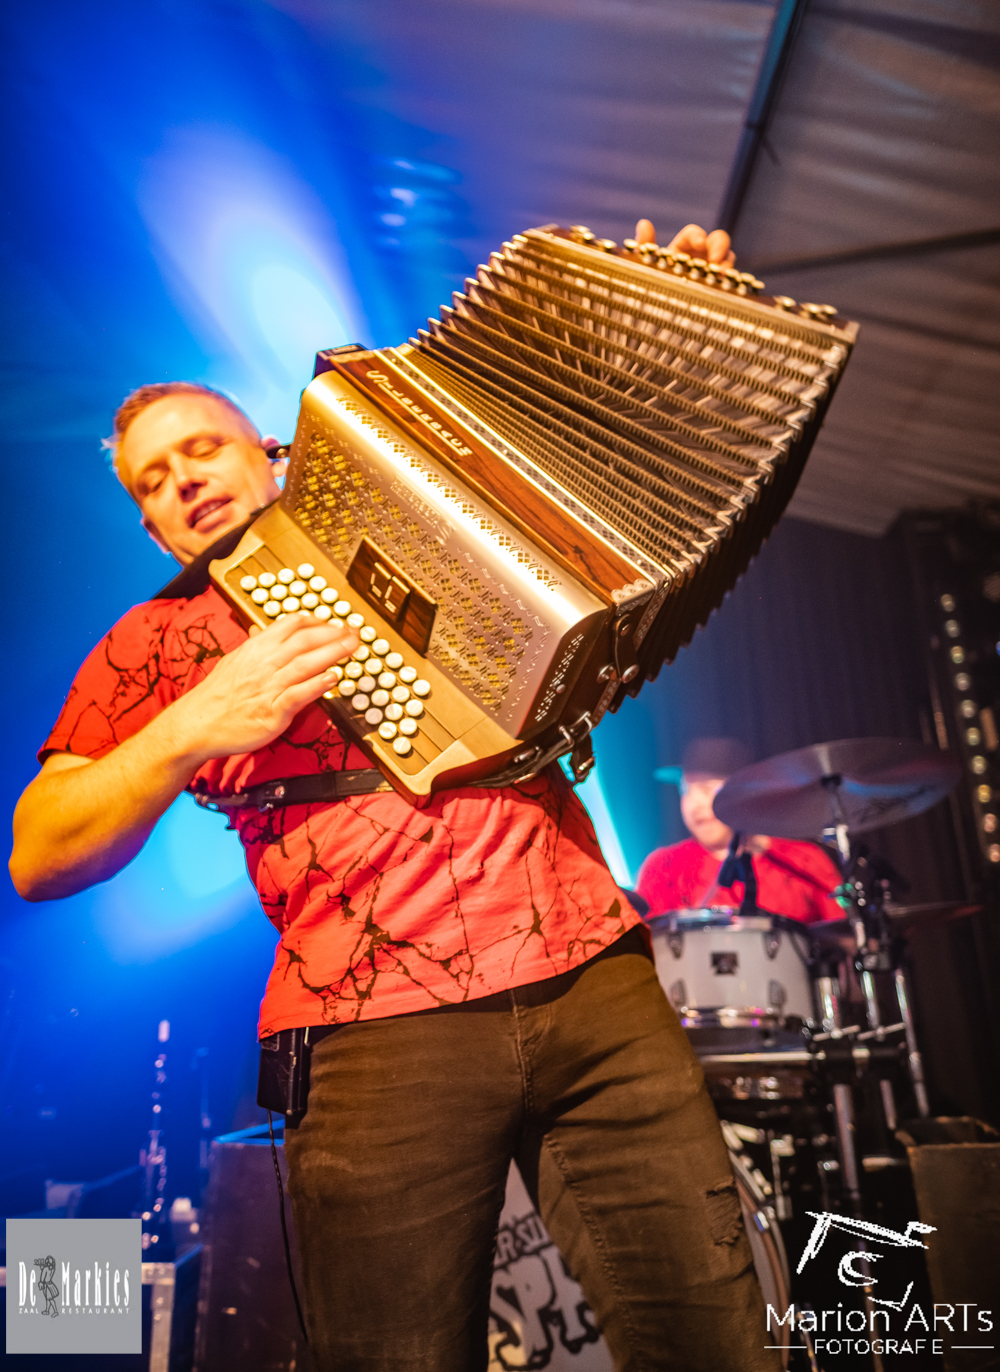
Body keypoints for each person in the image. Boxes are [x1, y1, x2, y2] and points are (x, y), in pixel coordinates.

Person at [10, 222, 772, 1372]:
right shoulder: (151, 645)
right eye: (152, 483)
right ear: (149, 524)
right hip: (374, 1039)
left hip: (593, 984)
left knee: (715, 1340)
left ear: (272, 451)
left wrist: (673, 327)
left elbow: (581, 459)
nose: (183, 482)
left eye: (201, 449)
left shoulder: (421, 513)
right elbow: (36, 852)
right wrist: (193, 724)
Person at [638, 737, 844, 923]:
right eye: (685, 790)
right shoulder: (662, 867)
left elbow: (844, 934)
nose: (694, 804)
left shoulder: (802, 861)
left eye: (706, 789)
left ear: (745, 793)